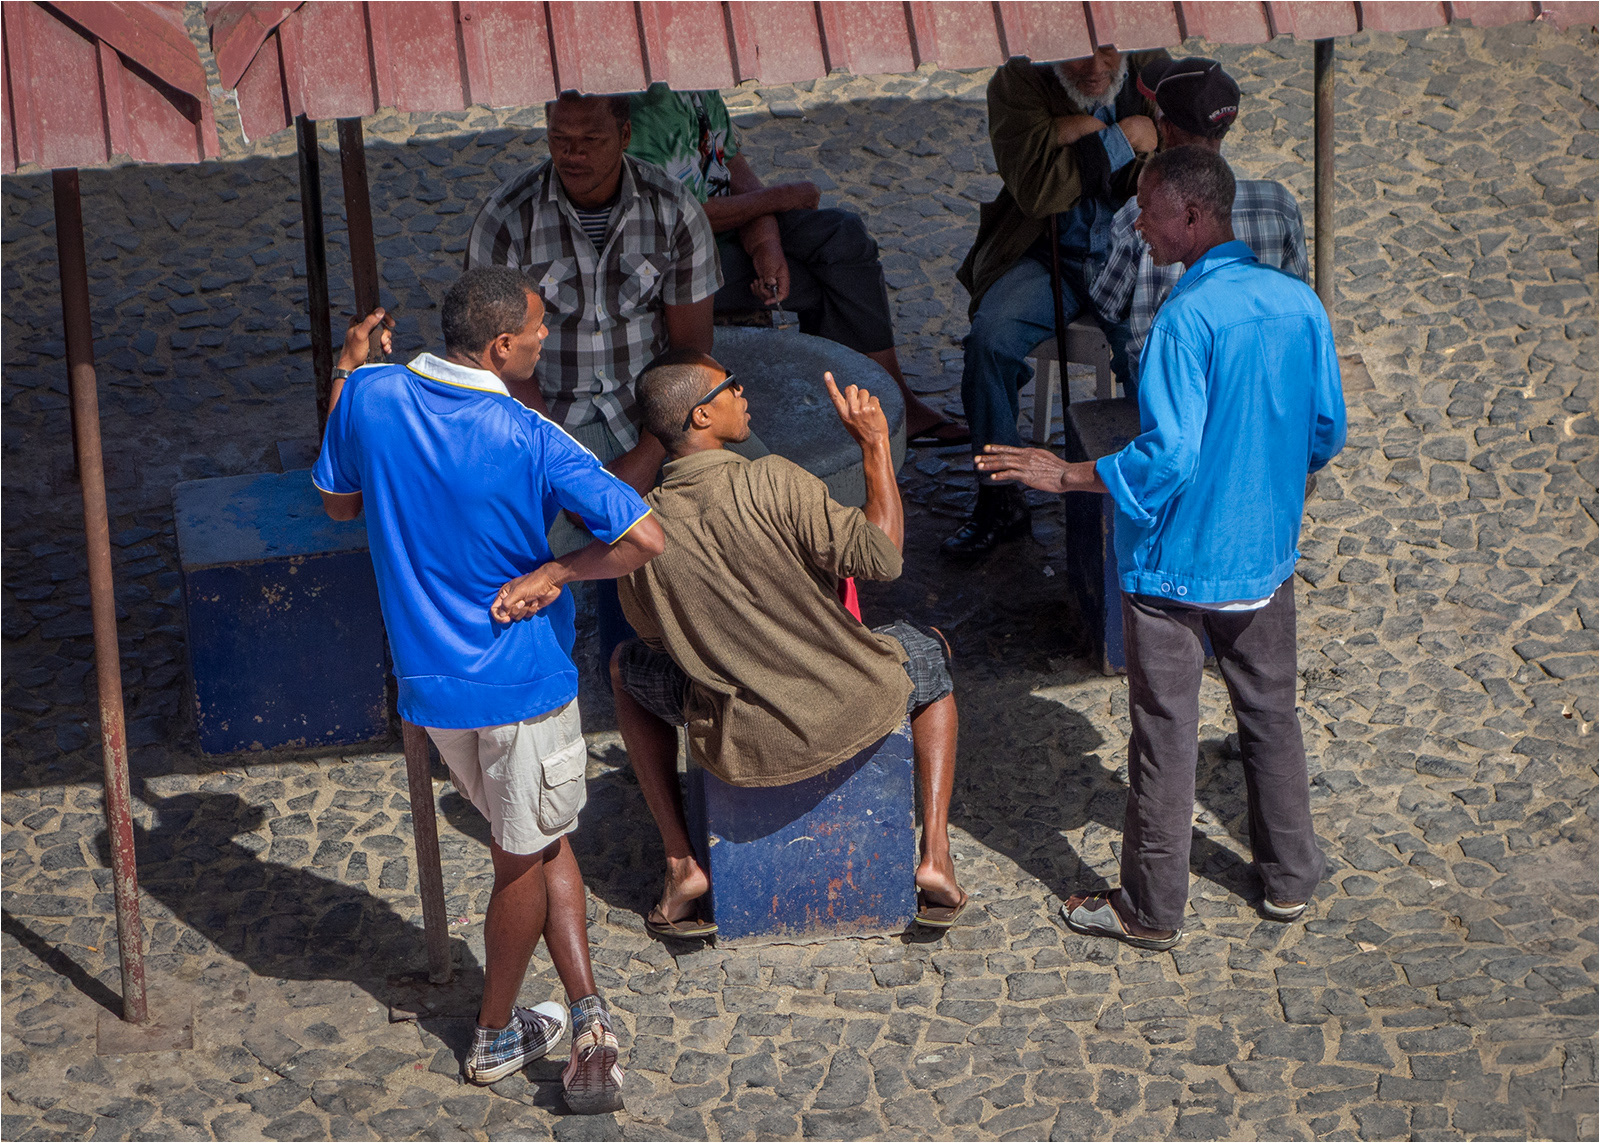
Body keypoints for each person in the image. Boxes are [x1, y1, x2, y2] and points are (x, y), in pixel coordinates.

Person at [313, 267, 666, 1110]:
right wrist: (558, 569)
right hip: (520, 682)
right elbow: (645, 535)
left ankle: (587, 1011)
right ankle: (496, 1032)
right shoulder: (531, 433)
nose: (548, 339)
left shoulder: (369, 397)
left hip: (433, 690)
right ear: (502, 345)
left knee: (543, 836)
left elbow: (335, 503)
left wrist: (344, 371)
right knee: (521, 856)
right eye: (539, 329)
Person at [976, 147, 1346, 950]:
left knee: (1165, 731)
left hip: (1176, 565)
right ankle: (1289, 879)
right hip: (1265, 560)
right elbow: (1326, 432)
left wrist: (1066, 472)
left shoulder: (1185, 319)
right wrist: (1265, 483)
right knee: (1270, 715)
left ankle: (1150, 908)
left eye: (1147, 210)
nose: (1137, 226)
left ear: (1193, 217)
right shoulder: (1298, 304)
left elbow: (1170, 454)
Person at [605, 350, 966, 938]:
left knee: (626, 668)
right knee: (931, 652)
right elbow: (883, 558)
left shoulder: (642, 529)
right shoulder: (774, 478)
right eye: (731, 385)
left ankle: (681, 866)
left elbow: (655, 637)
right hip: (854, 703)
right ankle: (936, 854)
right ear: (701, 416)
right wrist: (874, 446)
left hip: (742, 741)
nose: (744, 393)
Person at [466, 90, 721, 660]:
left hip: (650, 412)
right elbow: (498, 363)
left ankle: (657, 665)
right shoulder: (508, 220)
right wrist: (558, 463)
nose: (572, 154)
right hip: (542, 413)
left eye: (590, 141)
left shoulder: (674, 210)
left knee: (712, 530)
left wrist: (651, 451)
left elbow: (690, 355)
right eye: (560, 141)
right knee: (507, 546)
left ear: (626, 135)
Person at [625, 83, 970, 448]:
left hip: (730, 232)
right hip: (683, 258)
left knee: (843, 235)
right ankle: (866, 403)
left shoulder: (698, 90)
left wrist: (766, 245)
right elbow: (686, 217)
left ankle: (886, 392)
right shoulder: (644, 109)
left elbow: (736, 177)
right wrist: (782, 197)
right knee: (830, 282)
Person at [946, 45, 1163, 558]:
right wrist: (1121, 137)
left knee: (1149, 354)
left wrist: (1070, 136)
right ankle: (1000, 500)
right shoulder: (1017, 82)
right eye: (1076, 56)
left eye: (1106, 55)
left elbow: (1160, 170)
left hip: (1128, 253)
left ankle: (1155, 485)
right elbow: (1039, 190)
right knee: (989, 341)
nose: (1094, 71)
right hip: (1046, 253)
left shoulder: (1151, 67)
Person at [1089, 57, 1310, 387]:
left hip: (1168, 390)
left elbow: (1108, 305)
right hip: (1257, 380)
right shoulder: (1280, 205)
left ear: (1164, 128)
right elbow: (1296, 297)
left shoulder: (1137, 217)